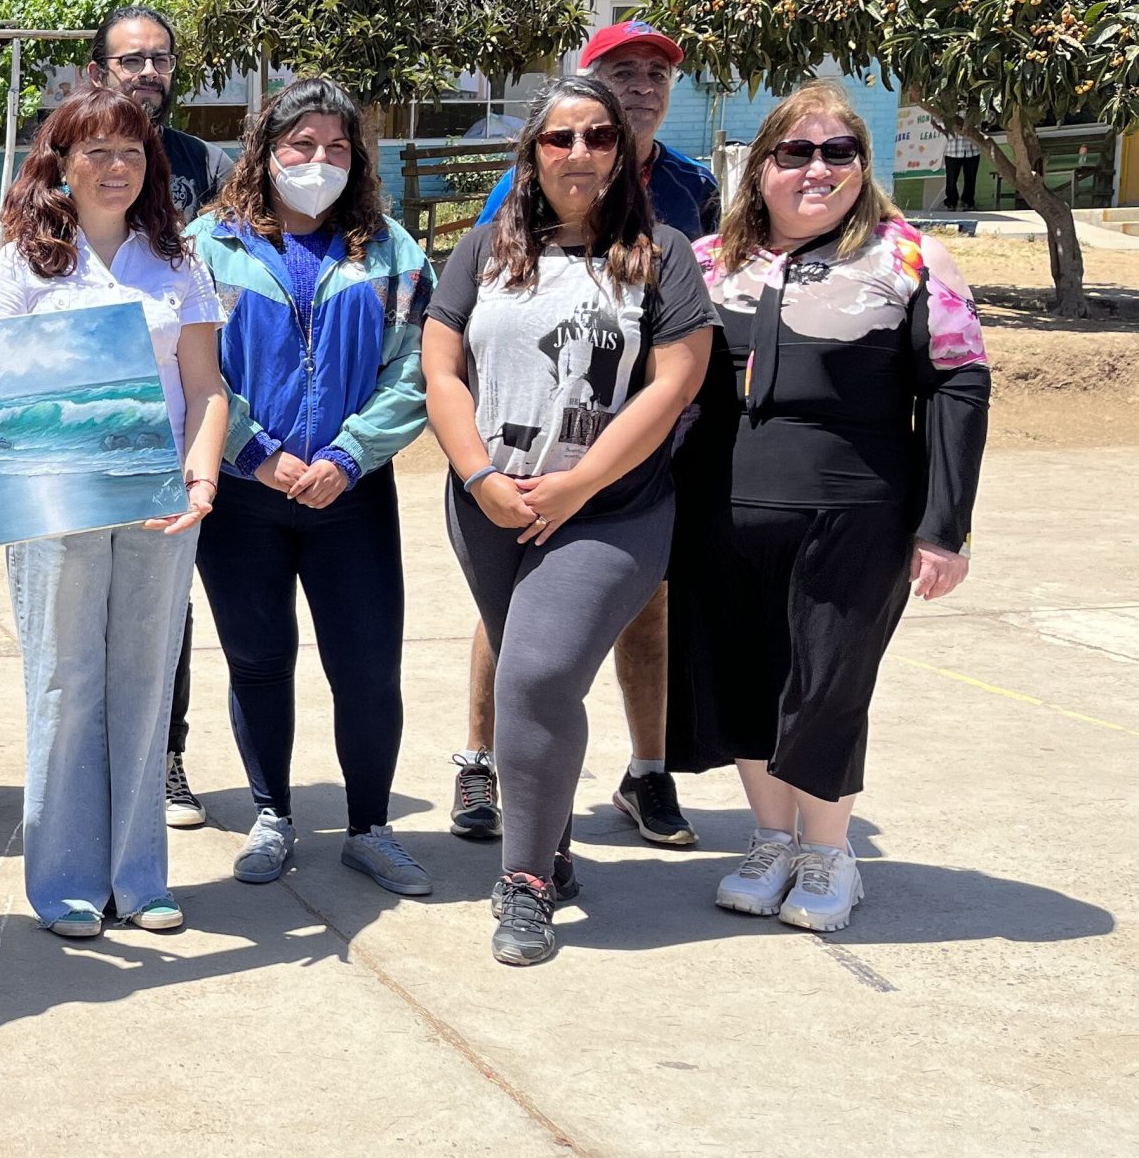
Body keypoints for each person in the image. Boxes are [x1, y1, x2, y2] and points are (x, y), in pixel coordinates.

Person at [674, 85, 988, 931]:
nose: (818, 169)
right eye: (797, 152)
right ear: (760, 167)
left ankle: (829, 854)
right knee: (744, 681)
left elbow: (959, 389)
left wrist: (945, 527)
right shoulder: (706, 263)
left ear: (862, 164)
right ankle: (772, 840)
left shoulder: (911, 259)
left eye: (839, 152)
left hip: (856, 518)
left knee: (827, 686)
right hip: (721, 517)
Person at [421, 75, 714, 968]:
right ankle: (551, 840)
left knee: (539, 673)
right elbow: (442, 371)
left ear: (621, 151)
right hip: (489, 507)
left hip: (610, 510)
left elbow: (675, 382)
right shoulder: (485, 250)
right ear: (533, 154)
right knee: (535, 686)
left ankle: (525, 882)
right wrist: (479, 476)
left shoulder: (663, 253)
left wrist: (580, 484)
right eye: (560, 138)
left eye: (599, 136)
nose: (580, 152)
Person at [0, 84, 226, 937]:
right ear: (62, 165)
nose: (116, 167)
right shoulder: (24, 261)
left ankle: (139, 879)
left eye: (131, 151)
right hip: (56, 503)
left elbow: (207, 388)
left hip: (160, 501)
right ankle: (67, 884)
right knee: (64, 682)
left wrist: (200, 480)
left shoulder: (178, 260)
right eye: (96, 151)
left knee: (146, 683)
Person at [191, 77, 437, 898]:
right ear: (265, 151)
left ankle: (370, 828)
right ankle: (272, 815)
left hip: (350, 497)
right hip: (244, 496)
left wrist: (350, 455)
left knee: (366, 667)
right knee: (258, 662)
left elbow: (415, 370)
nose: (318, 161)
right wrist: (254, 451)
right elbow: (194, 367)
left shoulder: (392, 251)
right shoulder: (207, 247)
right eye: (301, 144)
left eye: (336, 147)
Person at [85, 3, 236, 831]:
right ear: (98, 72)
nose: (148, 72)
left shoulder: (208, 166)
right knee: (78, 629)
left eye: (161, 60)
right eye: (131, 60)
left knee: (165, 612)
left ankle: (164, 759)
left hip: (183, 419)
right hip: (86, 438)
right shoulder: (64, 155)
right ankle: (81, 775)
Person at [942, 128, 982, 211]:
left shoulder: (973, 118)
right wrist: (944, 132)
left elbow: (987, 120)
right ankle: (951, 202)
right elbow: (936, 122)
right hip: (952, 150)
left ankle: (968, 202)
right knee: (951, 181)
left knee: (970, 179)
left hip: (972, 149)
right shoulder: (949, 118)